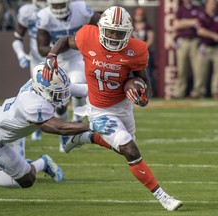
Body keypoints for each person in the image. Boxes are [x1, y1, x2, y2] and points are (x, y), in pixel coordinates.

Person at [42, 6, 183, 211]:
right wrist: (52, 55)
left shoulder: (136, 50)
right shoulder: (87, 37)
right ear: (100, 29)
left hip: (122, 105)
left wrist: (144, 99)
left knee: (124, 146)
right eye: (110, 31)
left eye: (119, 33)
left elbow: (144, 80)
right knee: (129, 149)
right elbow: (64, 41)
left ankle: (84, 136)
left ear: (128, 32)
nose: (114, 37)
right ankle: (163, 197)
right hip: (97, 108)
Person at [0, 64, 117, 203]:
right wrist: (90, 125)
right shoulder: (33, 103)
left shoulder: (41, 85)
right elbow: (57, 127)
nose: (61, 97)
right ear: (42, 90)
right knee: (26, 179)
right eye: (56, 93)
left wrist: (115, 91)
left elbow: (80, 89)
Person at [36, 0, 101, 152]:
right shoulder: (44, 16)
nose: (58, 8)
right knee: (60, 102)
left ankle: (77, 120)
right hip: (57, 58)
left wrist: (91, 41)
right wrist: (66, 44)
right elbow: (41, 49)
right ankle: (64, 135)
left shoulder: (81, 8)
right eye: (55, 5)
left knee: (78, 85)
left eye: (61, 4)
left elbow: (101, 24)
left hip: (78, 56)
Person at [12, 0, 48, 142]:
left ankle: (74, 121)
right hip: (36, 58)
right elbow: (17, 37)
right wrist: (21, 54)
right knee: (38, 96)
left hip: (60, 57)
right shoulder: (27, 12)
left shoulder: (59, 10)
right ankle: (38, 127)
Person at [173, 0, 203, 99]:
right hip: (183, 41)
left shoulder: (198, 8)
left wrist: (184, 22)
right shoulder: (180, 9)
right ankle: (180, 92)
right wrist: (191, 22)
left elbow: (199, 23)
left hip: (195, 41)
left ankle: (197, 92)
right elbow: (176, 24)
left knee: (197, 68)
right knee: (182, 69)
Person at [191, 0, 218, 99]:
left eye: (214, 4)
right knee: (201, 71)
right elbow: (200, 31)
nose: (213, 6)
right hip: (205, 47)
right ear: (206, 5)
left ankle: (216, 92)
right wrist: (213, 35)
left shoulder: (216, 16)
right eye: (211, 4)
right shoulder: (202, 16)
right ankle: (199, 91)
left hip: (216, 47)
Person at [132, 6, 156, 97]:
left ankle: (148, 93)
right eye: (137, 14)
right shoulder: (131, 26)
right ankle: (134, 92)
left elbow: (151, 39)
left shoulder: (147, 27)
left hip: (144, 53)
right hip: (132, 54)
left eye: (140, 15)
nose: (139, 16)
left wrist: (141, 49)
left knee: (147, 73)